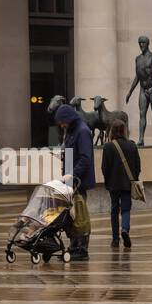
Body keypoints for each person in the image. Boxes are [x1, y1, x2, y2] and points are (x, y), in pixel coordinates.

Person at [54, 102, 95, 261]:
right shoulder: (71, 131)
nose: (61, 125)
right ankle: (73, 246)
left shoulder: (82, 131)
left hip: (78, 182)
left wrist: (72, 175)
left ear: (68, 119)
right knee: (71, 216)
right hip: (70, 182)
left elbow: (85, 158)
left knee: (80, 215)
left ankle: (82, 249)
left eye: (62, 122)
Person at [101, 119, 141, 248]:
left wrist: (107, 182)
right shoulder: (132, 145)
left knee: (114, 211)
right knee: (125, 209)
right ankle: (125, 229)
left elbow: (104, 167)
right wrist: (133, 180)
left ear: (112, 131)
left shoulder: (107, 147)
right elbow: (137, 166)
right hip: (127, 184)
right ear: (124, 131)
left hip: (113, 184)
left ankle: (115, 239)